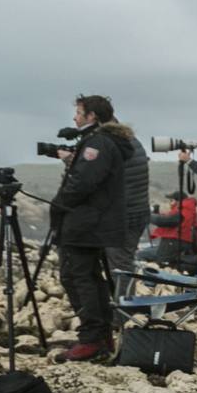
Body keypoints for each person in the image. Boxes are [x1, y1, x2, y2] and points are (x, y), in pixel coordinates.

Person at [52, 94, 138, 363]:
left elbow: (83, 183)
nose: (75, 118)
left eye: (79, 113)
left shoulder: (98, 143)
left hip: (86, 223)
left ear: (92, 116)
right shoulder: (104, 140)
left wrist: (59, 204)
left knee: (78, 277)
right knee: (88, 277)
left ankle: (92, 337)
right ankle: (99, 334)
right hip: (93, 222)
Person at [108, 106, 151, 297]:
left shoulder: (115, 144)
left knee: (120, 264)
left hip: (123, 214)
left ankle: (122, 314)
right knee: (124, 261)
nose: (75, 119)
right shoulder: (131, 141)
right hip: (136, 211)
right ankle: (124, 309)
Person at [137, 191, 197, 273]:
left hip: (172, 246)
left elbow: (166, 220)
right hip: (177, 246)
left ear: (178, 201)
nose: (170, 203)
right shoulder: (188, 210)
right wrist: (155, 213)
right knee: (145, 254)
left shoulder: (184, 210)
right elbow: (168, 219)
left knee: (142, 255)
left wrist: (148, 215)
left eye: (171, 201)